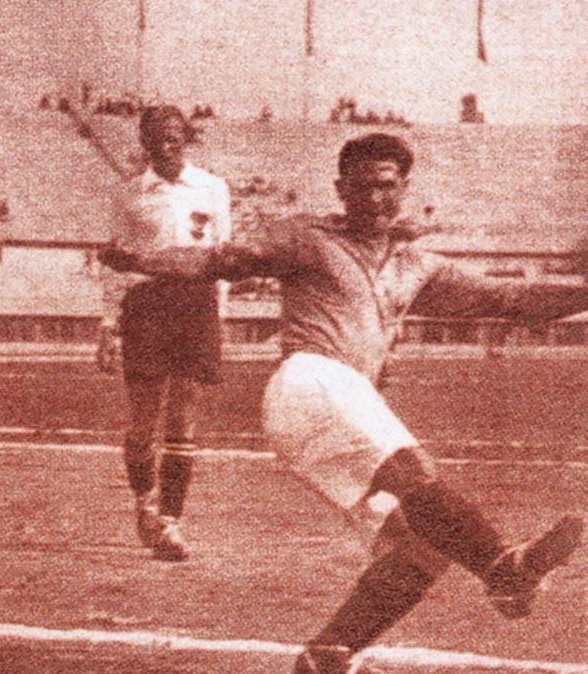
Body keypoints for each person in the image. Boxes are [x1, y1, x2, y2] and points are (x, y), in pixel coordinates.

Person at [100, 132, 585, 674]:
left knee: (421, 548)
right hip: (309, 383)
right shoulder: (310, 240)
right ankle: (505, 567)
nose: (378, 198)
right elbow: (220, 259)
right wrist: (140, 257)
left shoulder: (417, 264)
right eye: (365, 187)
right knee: (414, 472)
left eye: (389, 186)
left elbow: (512, 301)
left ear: (404, 189)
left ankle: (328, 654)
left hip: (338, 415)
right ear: (342, 190)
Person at [98, 105, 231, 562]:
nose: (166, 145)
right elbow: (114, 263)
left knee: (184, 414)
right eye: (156, 137)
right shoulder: (129, 194)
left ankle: (171, 520)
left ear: (186, 139)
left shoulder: (213, 188)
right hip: (147, 306)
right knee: (143, 419)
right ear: (144, 143)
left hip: (196, 304)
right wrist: (108, 324)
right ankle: (144, 501)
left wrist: (221, 316)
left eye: (174, 137)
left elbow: (223, 258)